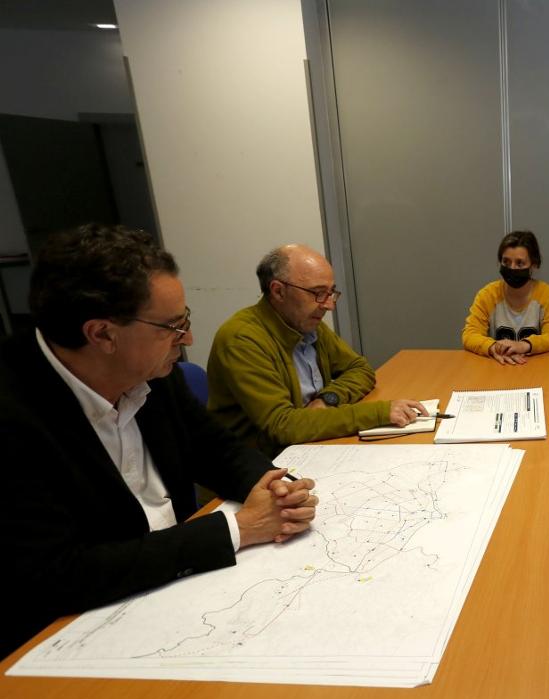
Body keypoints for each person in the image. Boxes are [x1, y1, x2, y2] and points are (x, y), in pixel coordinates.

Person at [0, 224, 317, 657]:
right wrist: (236, 528)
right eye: (172, 326)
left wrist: (273, 485)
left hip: (182, 592)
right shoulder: (14, 415)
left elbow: (213, 447)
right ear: (103, 335)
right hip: (76, 636)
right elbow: (58, 573)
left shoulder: (147, 370)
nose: (187, 339)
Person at [208, 244, 428, 455]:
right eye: (318, 293)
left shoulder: (304, 322)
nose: (329, 305)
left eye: (331, 292)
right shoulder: (242, 339)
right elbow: (283, 426)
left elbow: (359, 368)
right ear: (278, 291)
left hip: (307, 447)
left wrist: (327, 399)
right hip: (261, 466)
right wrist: (379, 413)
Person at [462, 230, 549, 365]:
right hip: (499, 367)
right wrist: (493, 347)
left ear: (533, 264)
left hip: (536, 368)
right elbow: (469, 335)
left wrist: (524, 345)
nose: (512, 268)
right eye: (506, 262)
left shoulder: (548, 295)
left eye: (520, 263)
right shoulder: (487, 295)